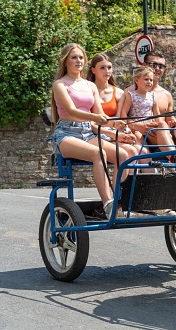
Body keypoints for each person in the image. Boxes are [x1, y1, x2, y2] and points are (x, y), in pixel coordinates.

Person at [50, 43, 129, 217]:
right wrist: (96, 118)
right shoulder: (60, 85)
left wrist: (116, 126)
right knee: (98, 153)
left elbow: (101, 117)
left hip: (88, 132)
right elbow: (70, 112)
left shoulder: (90, 86)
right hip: (67, 134)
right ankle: (107, 203)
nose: (78, 60)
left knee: (122, 155)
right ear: (65, 61)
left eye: (81, 57)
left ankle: (116, 202)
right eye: (74, 57)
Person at [119, 51, 176, 148]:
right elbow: (121, 117)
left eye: (161, 66)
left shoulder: (166, 95)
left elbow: (169, 119)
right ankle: (172, 154)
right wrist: (137, 126)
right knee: (160, 127)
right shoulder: (130, 93)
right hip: (147, 138)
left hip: (165, 134)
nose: (157, 69)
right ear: (144, 65)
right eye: (154, 65)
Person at [86, 53, 151, 167]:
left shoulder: (119, 93)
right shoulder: (86, 92)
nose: (107, 71)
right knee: (131, 152)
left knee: (144, 153)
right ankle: (125, 184)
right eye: (102, 68)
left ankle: (145, 184)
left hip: (118, 131)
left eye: (109, 67)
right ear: (93, 70)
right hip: (96, 133)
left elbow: (123, 118)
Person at [118, 66, 176, 158]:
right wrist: (127, 127)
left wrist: (163, 128)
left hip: (150, 127)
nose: (149, 82)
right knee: (143, 146)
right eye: (146, 79)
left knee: (162, 124)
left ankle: (173, 156)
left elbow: (157, 115)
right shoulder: (131, 95)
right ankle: (172, 156)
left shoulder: (152, 96)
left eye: (151, 80)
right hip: (136, 128)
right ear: (137, 80)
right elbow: (124, 112)